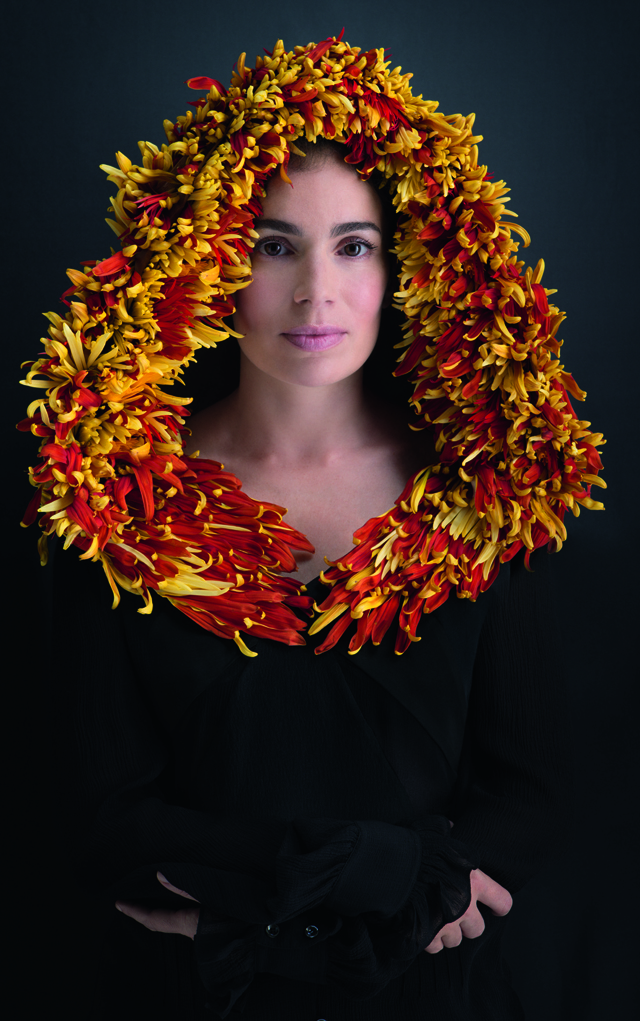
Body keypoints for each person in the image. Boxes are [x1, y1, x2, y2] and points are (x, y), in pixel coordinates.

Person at [25, 33, 603, 1020]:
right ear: (204, 256)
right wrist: (378, 877)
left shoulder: (486, 488)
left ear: (410, 262)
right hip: (188, 993)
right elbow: (102, 811)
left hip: (435, 988)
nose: (315, 293)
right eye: (273, 244)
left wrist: (412, 895)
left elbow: (535, 788)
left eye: (354, 245)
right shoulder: (112, 495)